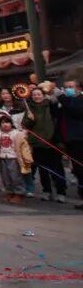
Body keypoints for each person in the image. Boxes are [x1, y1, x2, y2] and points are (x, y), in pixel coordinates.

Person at [22, 87, 67, 203]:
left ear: (43, 95)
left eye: (39, 94)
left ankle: (61, 192)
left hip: (52, 142)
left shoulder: (51, 106)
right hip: (37, 143)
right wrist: (30, 119)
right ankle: (46, 190)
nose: (37, 96)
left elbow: (59, 118)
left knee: (57, 168)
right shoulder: (29, 108)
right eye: (34, 95)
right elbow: (25, 125)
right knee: (43, 170)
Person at [0, 115, 32, 204]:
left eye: (7, 122)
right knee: (5, 177)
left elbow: (24, 147)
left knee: (15, 177)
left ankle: (19, 193)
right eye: (3, 123)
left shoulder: (17, 134)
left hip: (14, 158)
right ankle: (9, 191)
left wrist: (27, 158)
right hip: (2, 157)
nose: (5, 124)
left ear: (11, 124)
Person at [59, 78, 83, 208]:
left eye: (70, 86)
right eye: (66, 86)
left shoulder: (78, 100)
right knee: (78, 171)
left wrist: (62, 97)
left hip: (80, 139)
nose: (67, 89)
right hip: (70, 140)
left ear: (78, 88)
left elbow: (77, 111)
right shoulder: (67, 102)